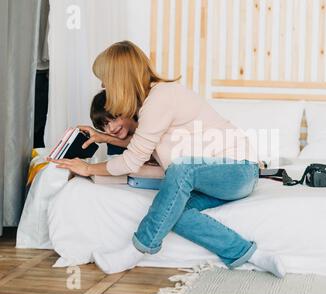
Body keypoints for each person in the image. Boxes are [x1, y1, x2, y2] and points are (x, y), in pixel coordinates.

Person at [51, 40, 285, 278]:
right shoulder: (152, 104)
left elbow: (132, 161)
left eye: (105, 79)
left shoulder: (161, 98)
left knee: (180, 169)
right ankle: (251, 255)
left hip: (237, 170)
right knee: (172, 212)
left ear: (119, 78)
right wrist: (104, 138)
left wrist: (88, 169)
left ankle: (135, 250)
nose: (102, 85)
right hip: (213, 178)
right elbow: (145, 146)